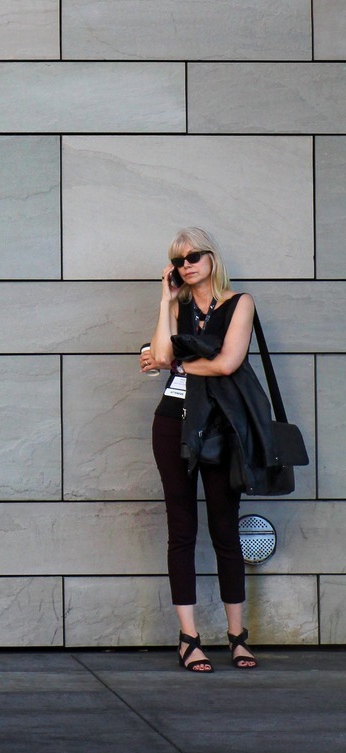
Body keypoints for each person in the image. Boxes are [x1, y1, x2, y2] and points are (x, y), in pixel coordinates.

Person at [139, 227, 259, 672]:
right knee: (182, 530)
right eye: (177, 260)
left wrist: (175, 362)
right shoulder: (181, 306)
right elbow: (161, 351)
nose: (185, 265)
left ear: (211, 258)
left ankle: (237, 636)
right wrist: (166, 303)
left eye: (193, 257)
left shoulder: (238, 303)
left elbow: (228, 362)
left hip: (222, 427)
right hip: (173, 423)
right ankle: (189, 638)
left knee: (226, 530)